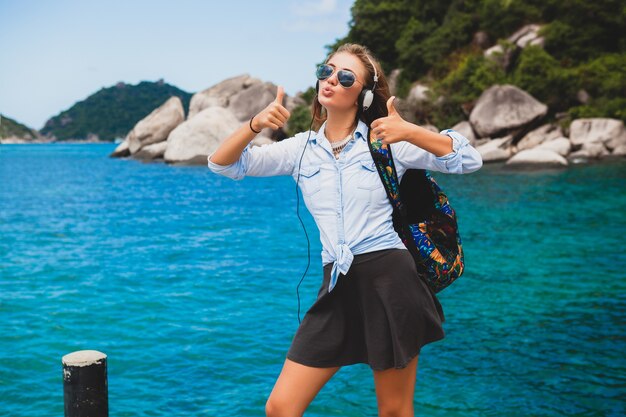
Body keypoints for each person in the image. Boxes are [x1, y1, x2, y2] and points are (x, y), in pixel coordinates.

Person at [208, 43, 483, 417]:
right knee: (280, 407)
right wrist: (255, 125)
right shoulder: (301, 148)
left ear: (364, 93)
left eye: (346, 76)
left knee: (394, 411)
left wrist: (409, 131)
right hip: (336, 283)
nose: (332, 80)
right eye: (327, 71)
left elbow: (468, 159)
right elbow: (224, 165)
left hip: (390, 280)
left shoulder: (386, 141)